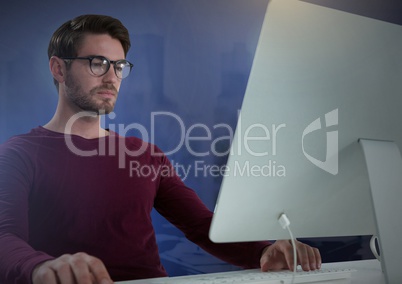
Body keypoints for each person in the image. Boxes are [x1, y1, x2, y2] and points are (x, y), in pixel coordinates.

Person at [0, 14, 321, 284]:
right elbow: (5, 237)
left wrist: (263, 251)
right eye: (97, 63)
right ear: (58, 69)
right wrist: (40, 267)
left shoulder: (144, 153)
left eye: (119, 66)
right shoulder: (19, 154)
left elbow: (201, 225)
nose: (112, 77)